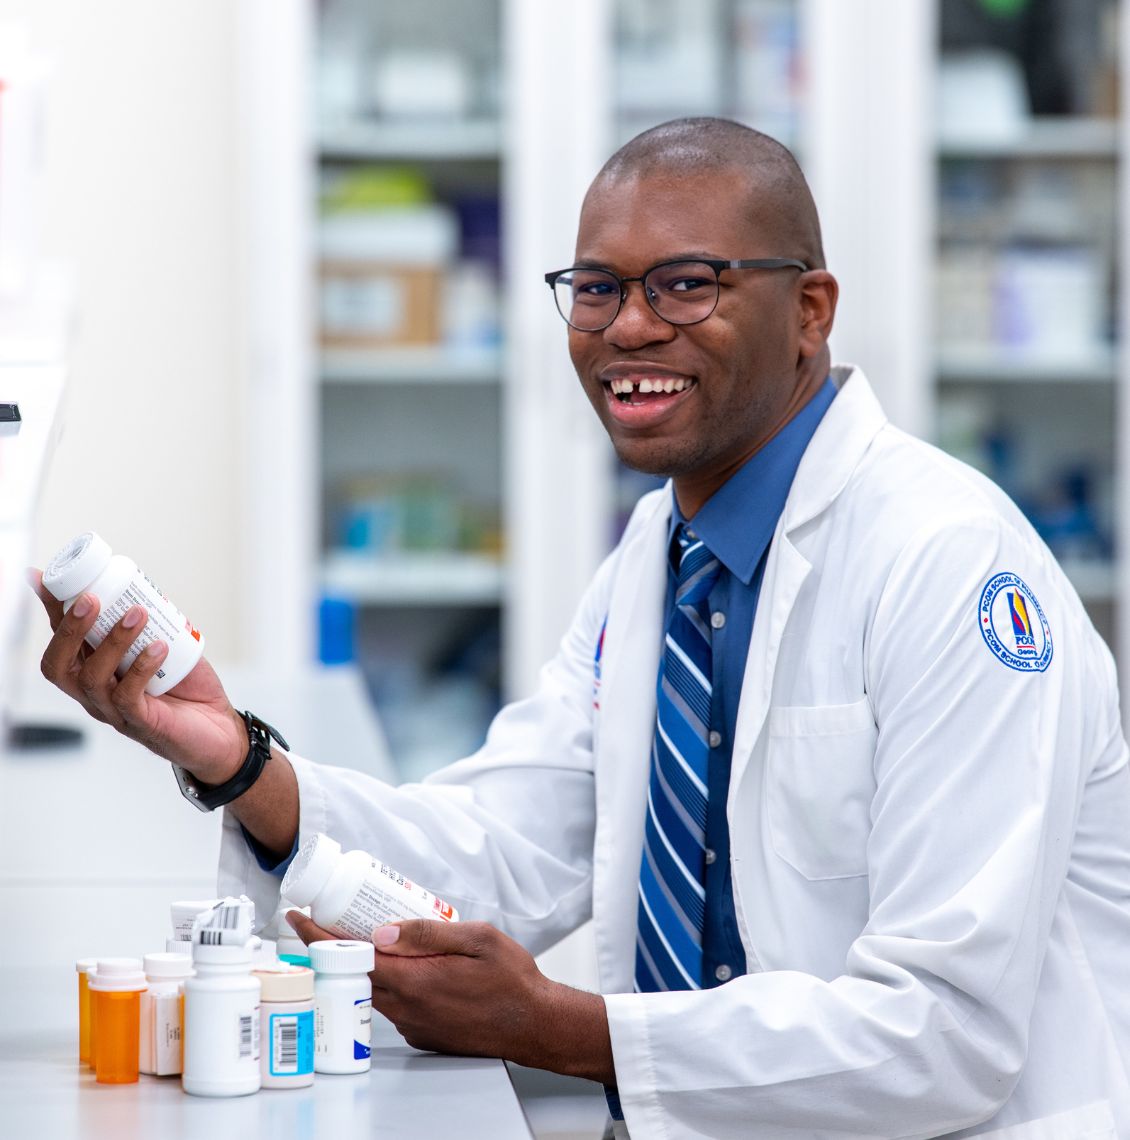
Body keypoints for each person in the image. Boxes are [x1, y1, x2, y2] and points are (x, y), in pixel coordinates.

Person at [33, 118, 1130, 1139]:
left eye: (687, 285)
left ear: (810, 310)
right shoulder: (657, 561)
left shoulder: (947, 565)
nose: (629, 327)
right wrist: (236, 759)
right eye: (596, 288)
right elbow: (507, 849)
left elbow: (945, 1032)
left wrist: (564, 1028)